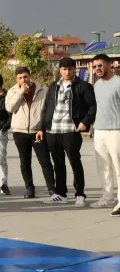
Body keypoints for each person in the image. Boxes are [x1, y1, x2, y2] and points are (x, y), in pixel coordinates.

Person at [37, 57, 96, 206]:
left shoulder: (83, 86)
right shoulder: (53, 86)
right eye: (64, 69)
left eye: (70, 69)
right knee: (58, 163)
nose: (67, 72)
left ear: (74, 69)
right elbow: (47, 109)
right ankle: (61, 194)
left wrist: (85, 122)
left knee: (75, 162)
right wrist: (41, 128)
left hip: (71, 130)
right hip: (53, 130)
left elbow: (92, 107)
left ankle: (80, 194)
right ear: (60, 70)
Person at [6, 66, 54, 199]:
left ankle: (51, 188)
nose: (23, 80)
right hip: (20, 131)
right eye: (20, 78)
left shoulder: (43, 90)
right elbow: (10, 108)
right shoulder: (13, 91)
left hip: (38, 131)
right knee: (24, 161)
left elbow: (49, 110)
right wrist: (20, 93)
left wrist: (42, 128)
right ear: (17, 79)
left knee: (45, 161)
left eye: (25, 77)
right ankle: (29, 188)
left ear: (30, 75)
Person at [90, 54, 120, 212]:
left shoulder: (118, 83)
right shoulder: (97, 85)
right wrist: (93, 128)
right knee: (103, 166)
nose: (97, 69)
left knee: (118, 167)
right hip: (99, 129)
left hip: (116, 130)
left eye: (100, 65)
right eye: (95, 67)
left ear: (109, 64)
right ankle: (107, 198)